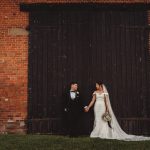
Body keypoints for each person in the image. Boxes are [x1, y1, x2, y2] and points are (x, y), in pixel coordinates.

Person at [85, 82, 150, 141]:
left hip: (102, 107)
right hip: (96, 107)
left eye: (97, 84)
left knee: (103, 120)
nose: (96, 86)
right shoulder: (95, 92)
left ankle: (103, 132)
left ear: (100, 85)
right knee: (97, 119)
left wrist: (107, 110)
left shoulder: (104, 92)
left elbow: (106, 102)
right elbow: (92, 101)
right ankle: (97, 132)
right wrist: (88, 107)